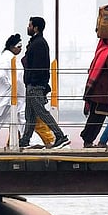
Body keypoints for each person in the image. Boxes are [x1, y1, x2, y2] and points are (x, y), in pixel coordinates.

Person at [18, 16, 70, 149]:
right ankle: (25, 140)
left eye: (29, 25)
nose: (28, 27)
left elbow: (38, 66)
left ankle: (60, 136)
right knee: (30, 115)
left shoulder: (39, 43)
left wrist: (33, 82)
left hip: (35, 85)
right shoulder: (37, 42)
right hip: (32, 84)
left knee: (41, 112)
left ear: (35, 27)